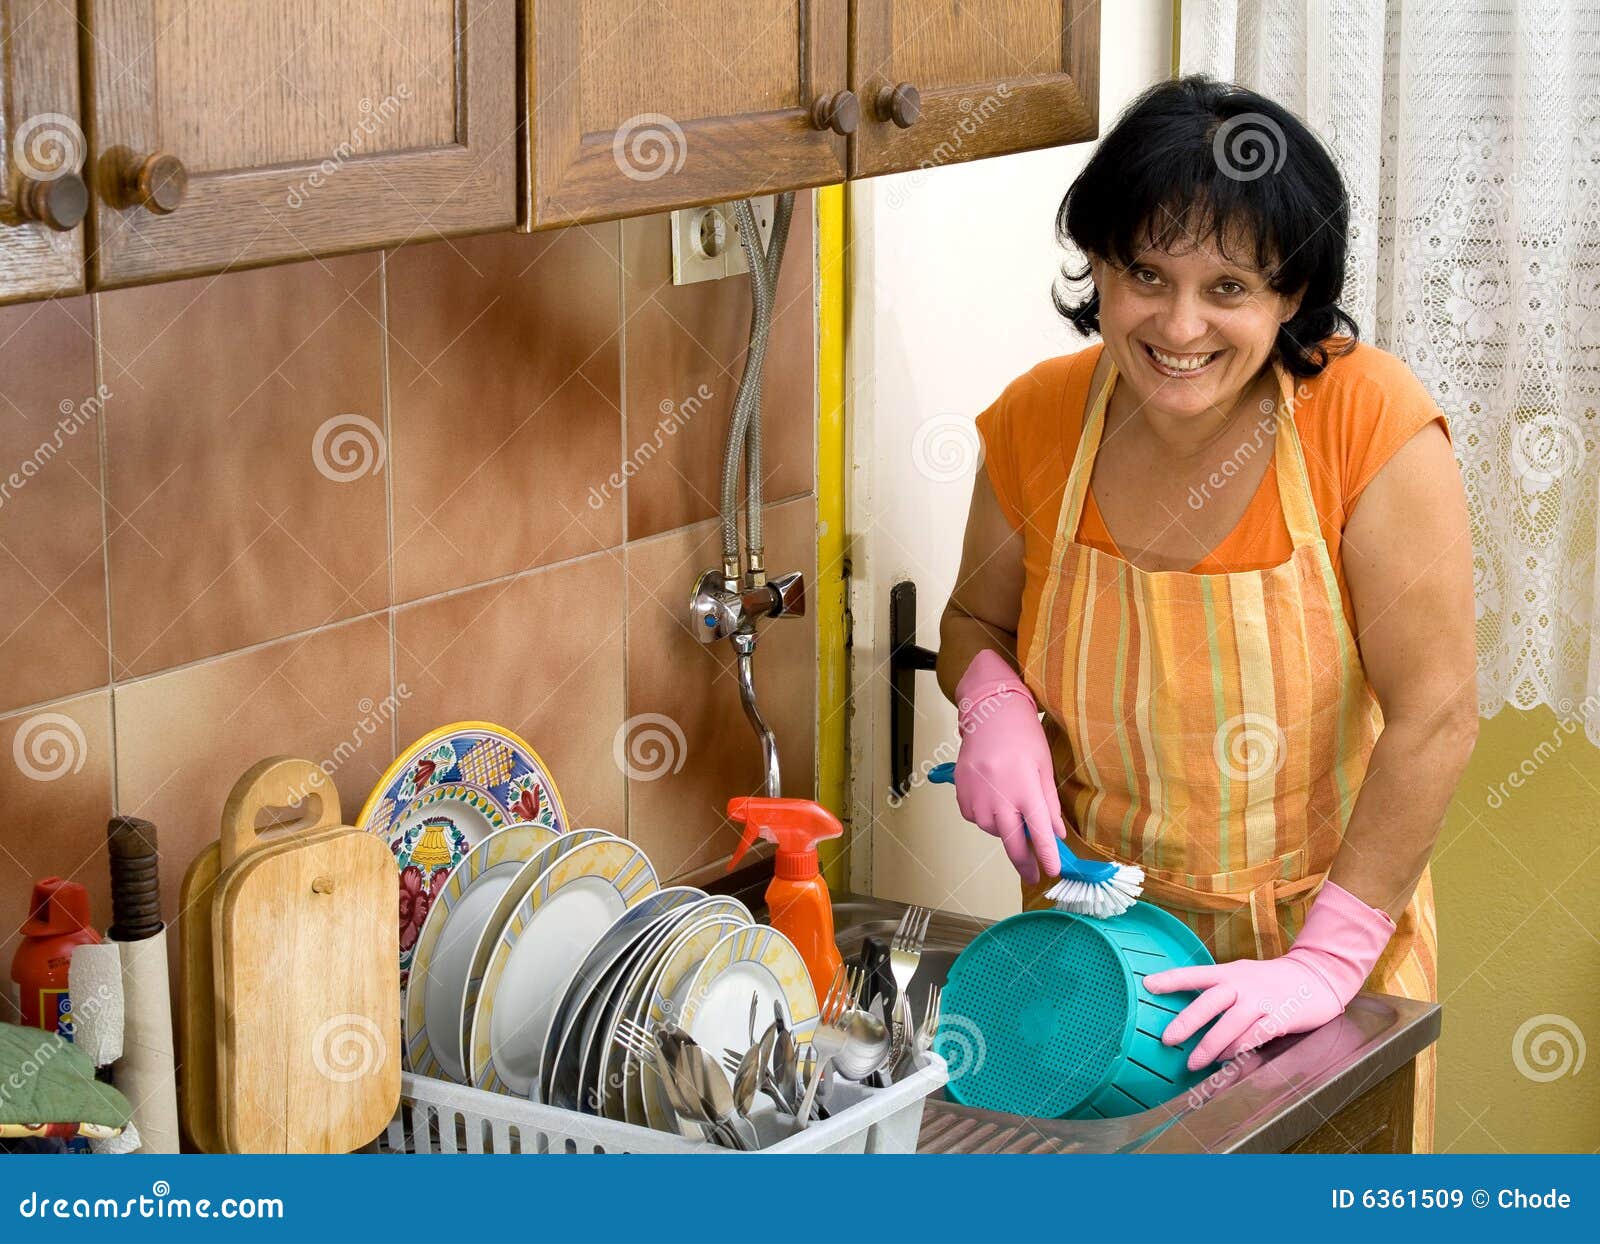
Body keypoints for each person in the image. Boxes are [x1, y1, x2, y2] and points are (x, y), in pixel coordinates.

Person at [937, 75, 1478, 1151]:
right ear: (1099, 267)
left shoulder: (1364, 424)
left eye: (1228, 286)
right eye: (1146, 273)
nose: (1178, 325)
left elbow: (1436, 712)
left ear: (1291, 296)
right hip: (1091, 973)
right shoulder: (1039, 420)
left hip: (1314, 976)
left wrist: (1326, 964)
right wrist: (987, 699)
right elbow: (974, 621)